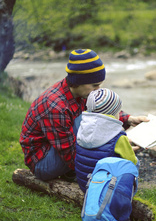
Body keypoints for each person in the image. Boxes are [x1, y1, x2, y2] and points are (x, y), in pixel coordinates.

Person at [19, 48, 148, 181]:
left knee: (90, 119)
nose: (97, 91)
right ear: (78, 81)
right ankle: (75, 173)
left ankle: (71, 173)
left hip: (59, 149)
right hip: (42, 162)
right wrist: (114, 154)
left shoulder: (82, 92)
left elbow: (102, 109)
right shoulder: (56, 107)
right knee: (87, 120)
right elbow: (69, 154)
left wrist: (129, 119)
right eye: (95, 85)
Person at [75, 88, 139, 191]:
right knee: (136, 163)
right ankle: (129, 192)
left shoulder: (82, 128)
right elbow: (131, 161)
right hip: (106, 188)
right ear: (113, 113)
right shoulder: (118, 137)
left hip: (85, 185)